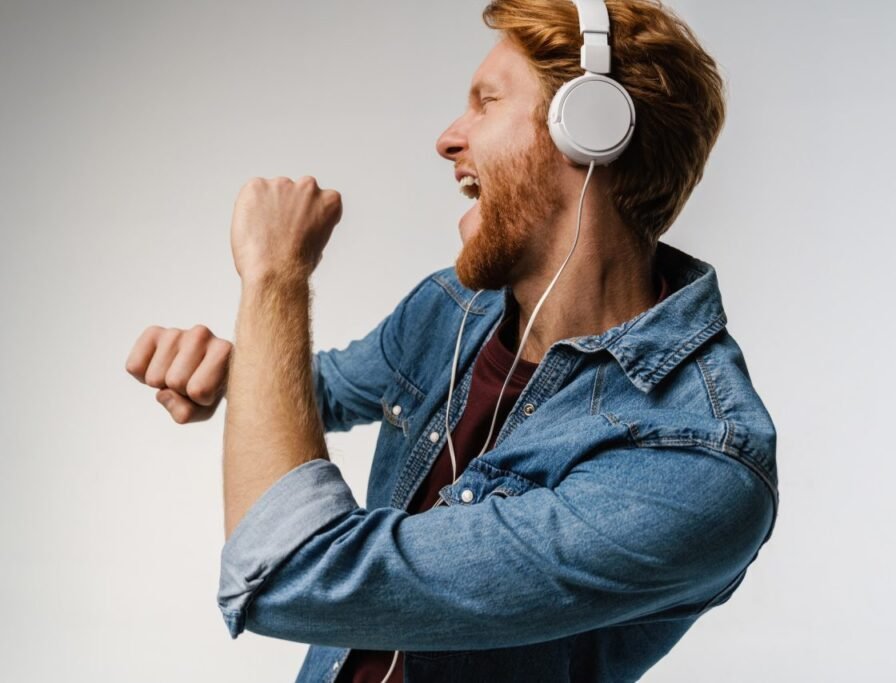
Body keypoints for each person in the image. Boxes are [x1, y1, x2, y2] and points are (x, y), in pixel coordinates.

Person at [125, 1, 779, 681]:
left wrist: (274, 279)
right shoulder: (451, 309)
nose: (447, 139)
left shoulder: (697, 460)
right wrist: (229, 370)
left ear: (590, 128)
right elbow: (321, 389)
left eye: (486, 102)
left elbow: (286, 573)